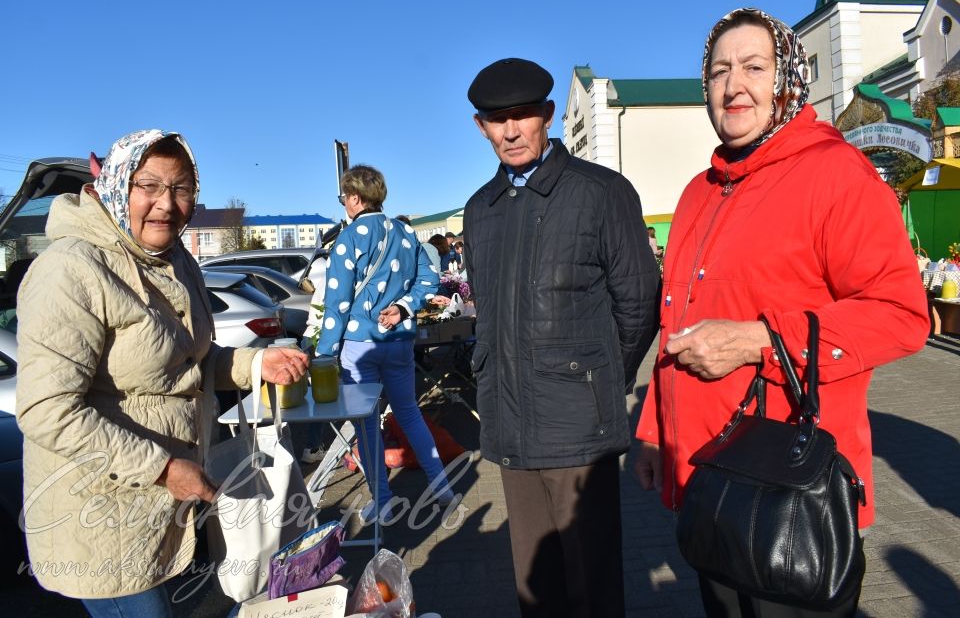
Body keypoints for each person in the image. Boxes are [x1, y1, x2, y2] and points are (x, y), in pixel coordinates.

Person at [632, 8, 929, 618]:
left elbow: (902, 315)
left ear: (788, 78)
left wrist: (758, 340)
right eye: (718, 71)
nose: (732, 85)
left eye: (753, 67)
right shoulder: (698, 191)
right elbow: (674, 325)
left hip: (791, 493)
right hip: (708, 480)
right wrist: (652, 434)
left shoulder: (835, 173)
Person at [15, 130, 308, 616]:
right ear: (115, 186)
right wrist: (163, 468)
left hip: (170, 510)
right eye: (148, 186)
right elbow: (47, 410)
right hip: (103, 521)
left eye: (182, 188)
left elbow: (190, 361)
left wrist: (256, 363)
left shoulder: (177, 262)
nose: (166, 204)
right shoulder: (70, 270)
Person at [464, 57, 660, 618]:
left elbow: (637, 302)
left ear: (547, 116)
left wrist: (596, 379)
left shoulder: (600, 192)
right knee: (536, 587)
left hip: (578, 428)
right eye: (496, 120)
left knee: (592, 588)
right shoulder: (481, 210)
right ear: (480, 126)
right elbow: (490, 312)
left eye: (523, 116)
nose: (510, 130)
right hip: (509, 424)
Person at [315, 165, 453, 523]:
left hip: (361, 345)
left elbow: (338, 304)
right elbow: (430, 279)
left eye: (345, 196)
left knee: (366, 423)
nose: (344, 202)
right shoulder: (406, 233)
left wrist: (324, 353)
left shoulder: (349, 239)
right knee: (409, 412)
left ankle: (384, 498)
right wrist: (405, 307)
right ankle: (442, 487)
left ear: (355, 198)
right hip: (400, 341)